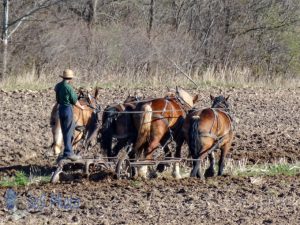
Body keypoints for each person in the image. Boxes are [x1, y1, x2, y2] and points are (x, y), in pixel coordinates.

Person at [54, 69, 85, 161]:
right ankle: (69, 153)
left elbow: (58, 99)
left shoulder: (58, 86)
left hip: (61, 109)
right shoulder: (69, 87)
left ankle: (66, 152)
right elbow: (74, 100)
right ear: (70, 78)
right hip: (68, 109)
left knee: (64, 131)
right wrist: (81, 107)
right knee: (69, 131)